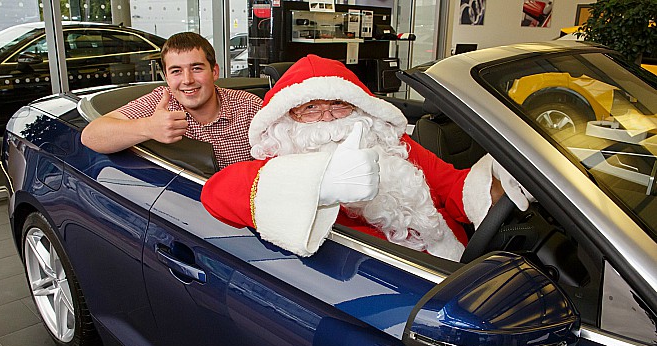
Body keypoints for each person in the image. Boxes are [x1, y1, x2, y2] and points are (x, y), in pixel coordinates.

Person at [200, 55, 532, 261]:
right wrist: (318, 186)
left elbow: (453, 186)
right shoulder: (283, 159)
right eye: (310, 108)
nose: (328, 118)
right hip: (379, 296)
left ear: (359, 108)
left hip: (453, 267)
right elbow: (215, 194)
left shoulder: (392, 144)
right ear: (288, 119)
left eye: (338, 104)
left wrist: (499, 177)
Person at [80, 32, 262, 169]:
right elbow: (91, 136)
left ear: (214, 72)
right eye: (176, 71)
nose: (187, 80)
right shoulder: (163, 102)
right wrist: (148, 128)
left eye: (196, 68)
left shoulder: (250, 106)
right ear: (167, 77)